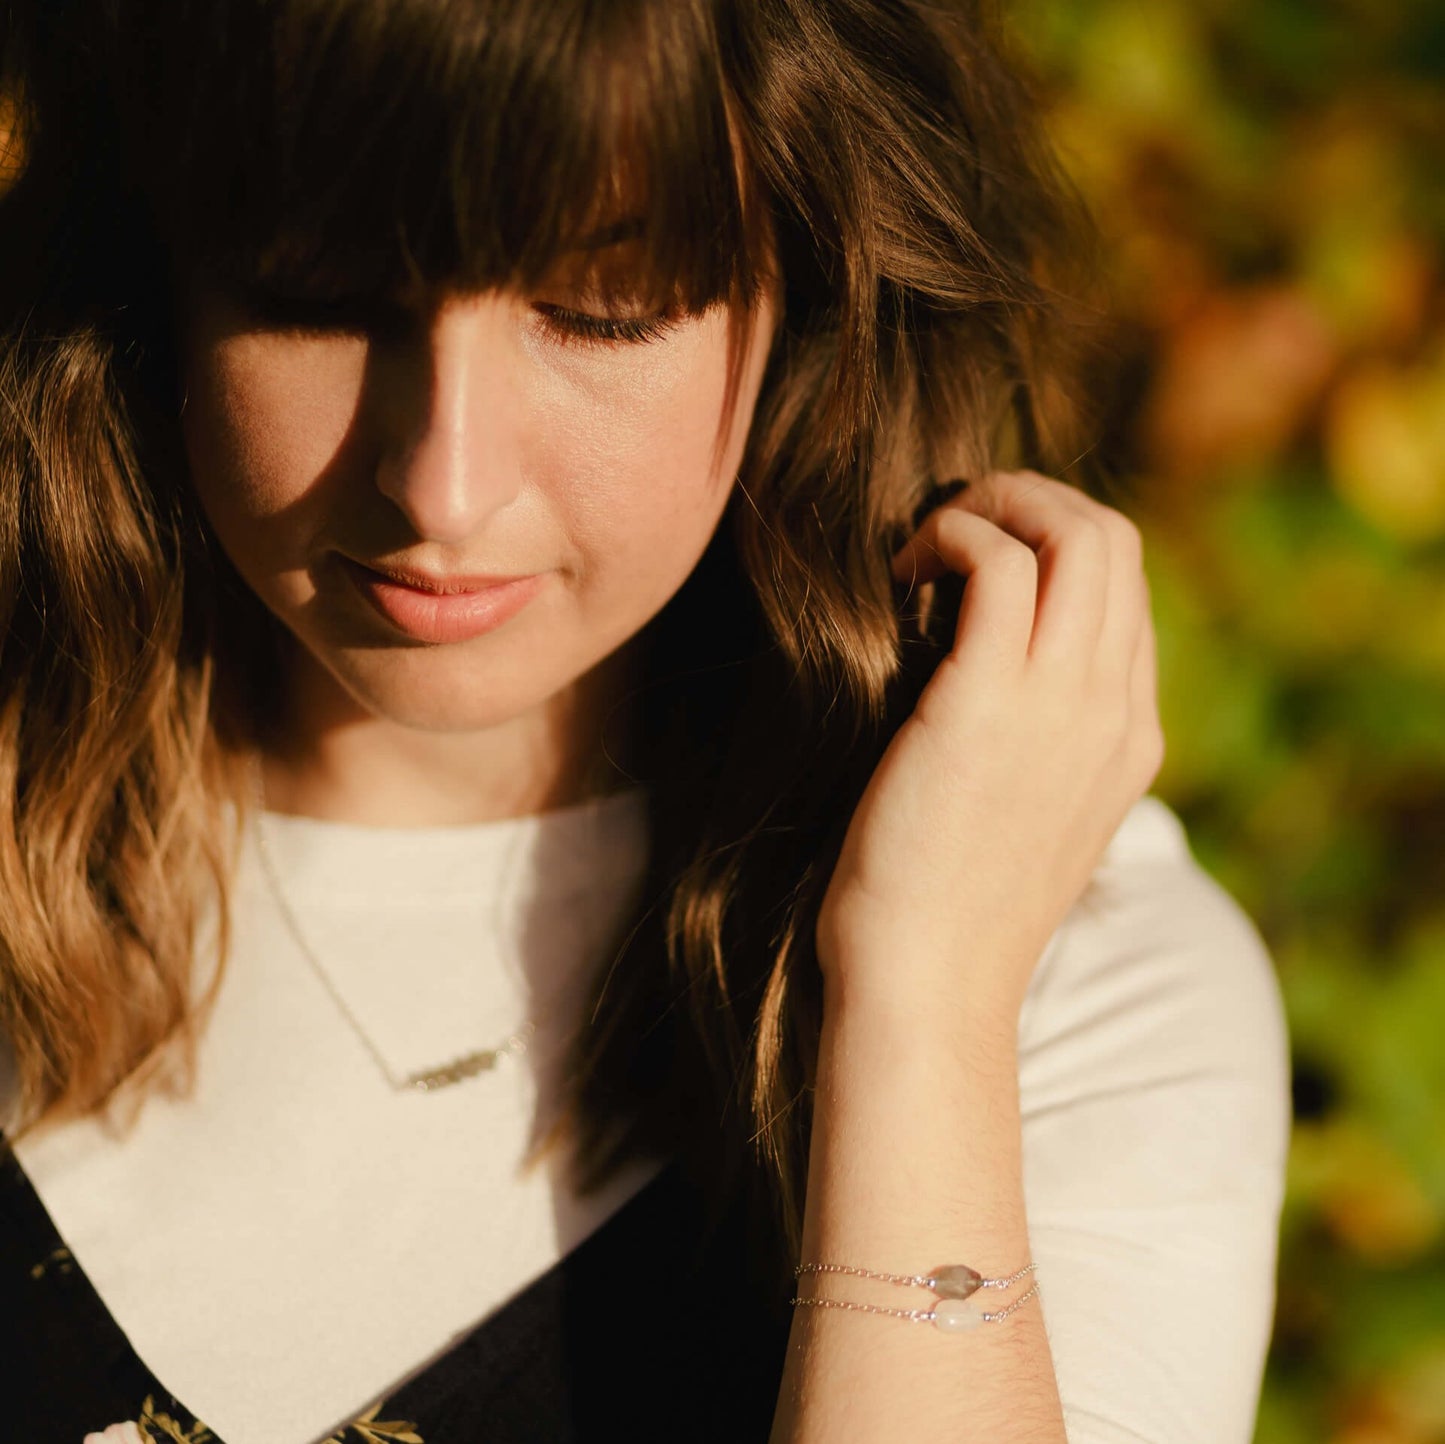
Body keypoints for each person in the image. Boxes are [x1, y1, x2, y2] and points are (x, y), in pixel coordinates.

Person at [0, 1, 1291, 1441]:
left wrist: (919, 1014)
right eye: (317, 292)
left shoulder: (1072, 991)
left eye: (600, 311)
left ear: (806, 287)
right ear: (153, 271)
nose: (443, 487)